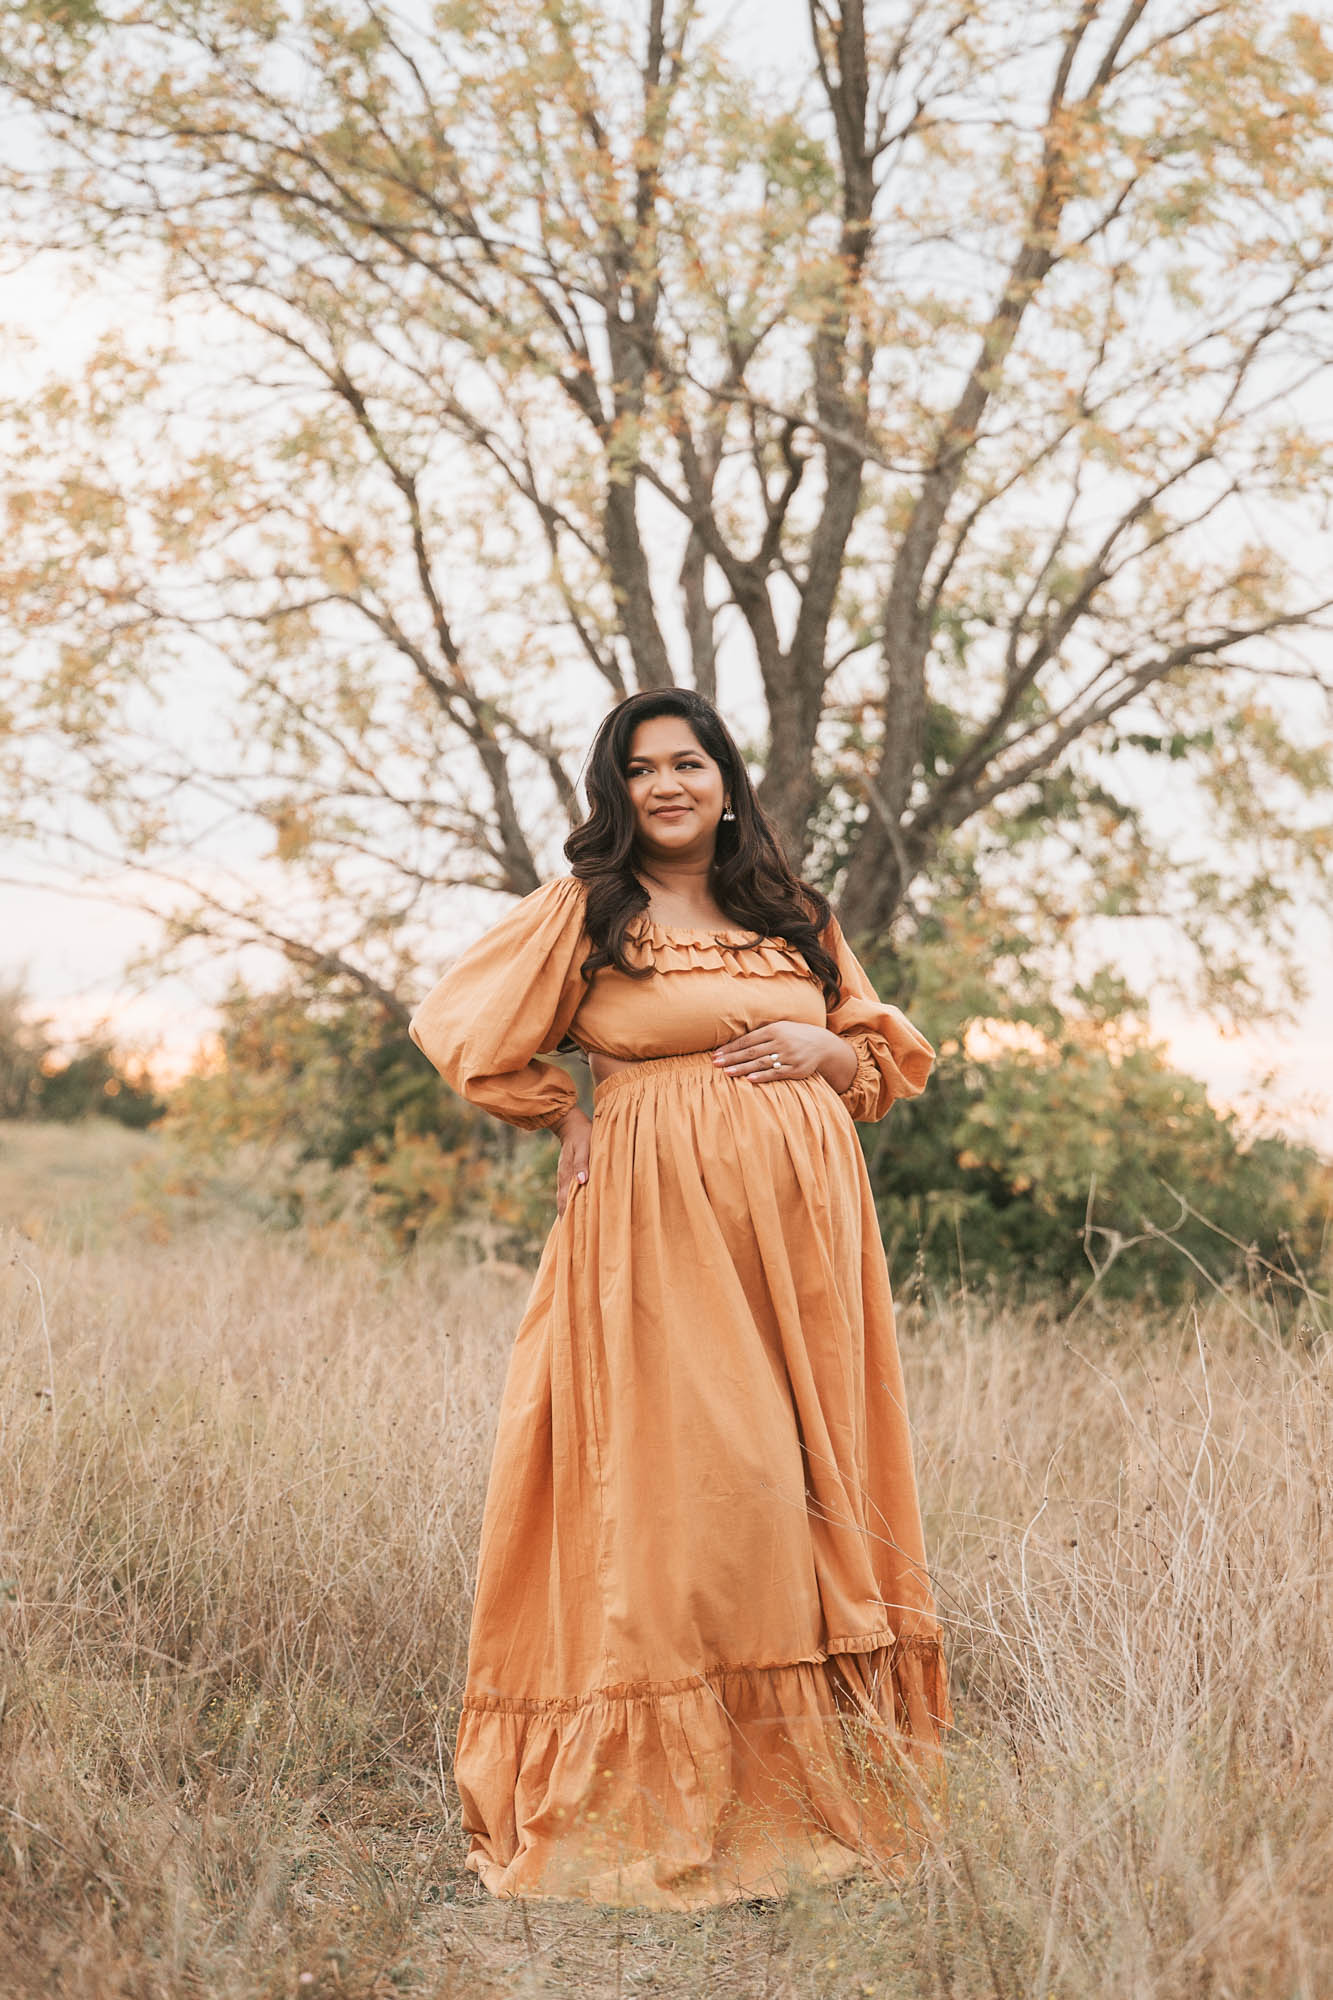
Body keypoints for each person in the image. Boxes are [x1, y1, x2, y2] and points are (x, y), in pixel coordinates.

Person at [409, 689, 949, 1909]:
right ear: (617, 789)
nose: (667, 784)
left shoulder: (790, 913)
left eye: (687, 762)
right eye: (641, 767)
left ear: (724, 780)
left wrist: (831, 1053)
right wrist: (570, 1109)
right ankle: (668, 1790)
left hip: (806, 1249)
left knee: (816, 1486)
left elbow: (875, 1054)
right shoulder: (588, 910)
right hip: (662, 1230)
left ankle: (820, 1783)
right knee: (707, 1488)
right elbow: (462, 1031)